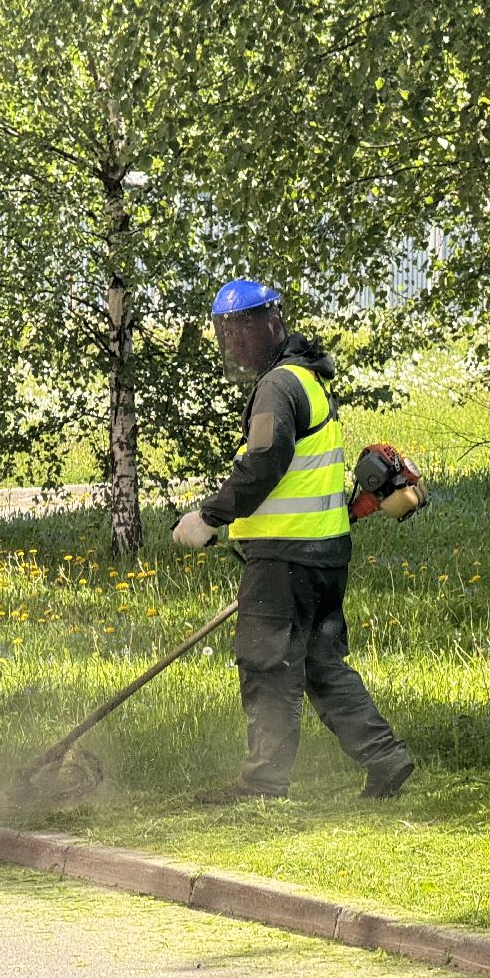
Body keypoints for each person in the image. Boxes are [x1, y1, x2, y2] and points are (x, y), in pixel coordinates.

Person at [172, 279, 414, 802]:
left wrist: (210, 516)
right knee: (319, 665)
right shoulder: (305, 379)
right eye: (226, 331)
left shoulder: (279, 385)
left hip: (285, 559)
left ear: (271, 322)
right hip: (324, 554)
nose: (234, 341)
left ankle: (261, 786)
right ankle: (385, 757)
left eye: (243, 328)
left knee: (268, 666)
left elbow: (265, 461)